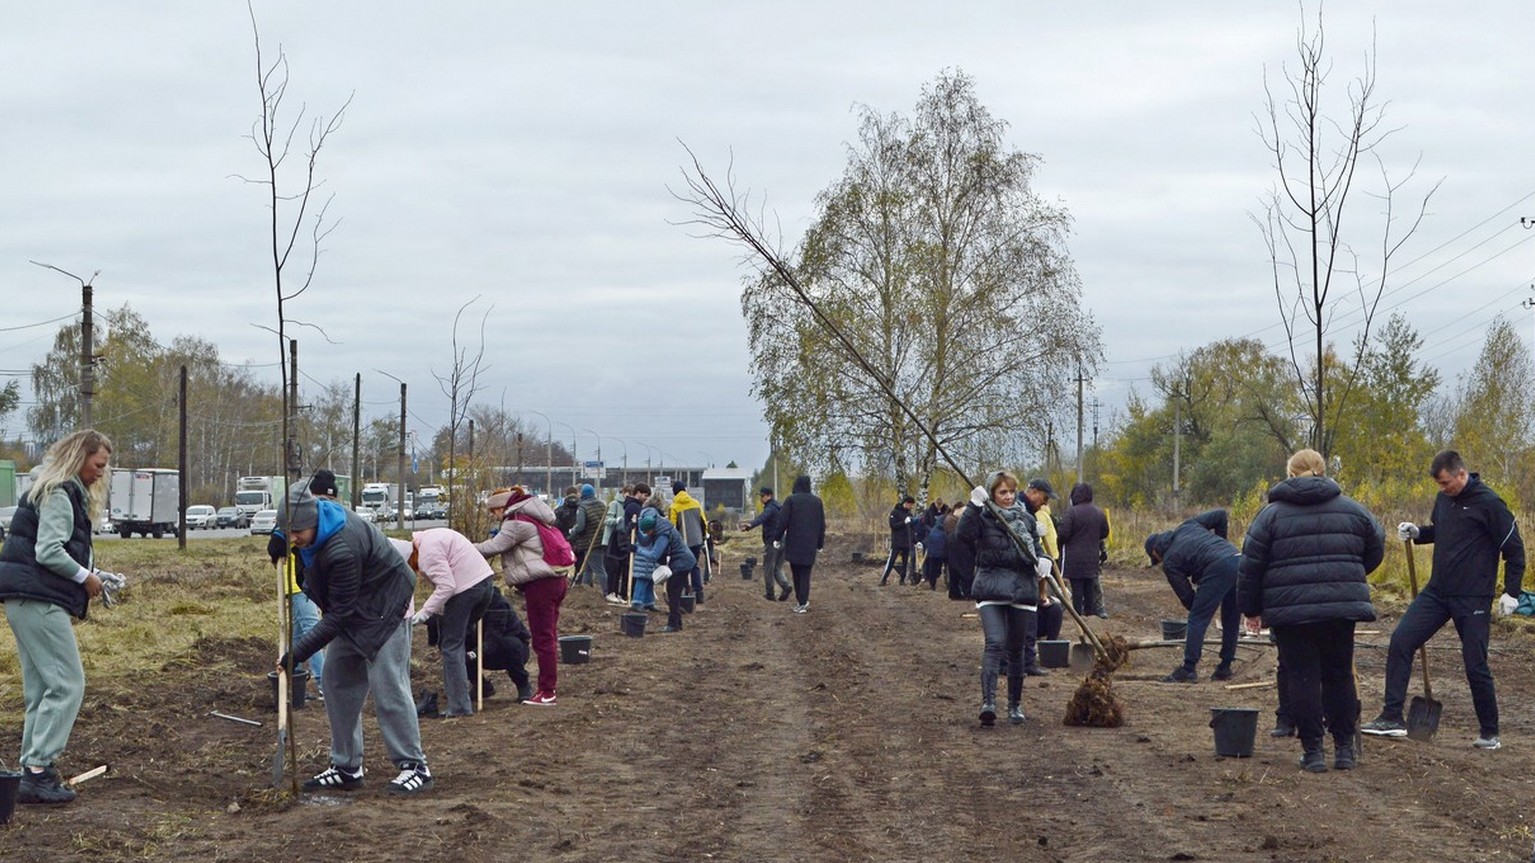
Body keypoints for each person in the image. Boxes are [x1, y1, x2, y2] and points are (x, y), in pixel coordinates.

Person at [1361, 450, 1526, 749]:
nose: (1443, 489)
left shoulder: (1490, 504)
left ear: (1462, 474)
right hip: (1437, 592)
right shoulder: (1444, 500)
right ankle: (1391, 717)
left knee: (1475, 663)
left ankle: (1490, 732)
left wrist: (1511, 591)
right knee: (1401, 640)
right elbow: (1443, 532)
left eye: (1446, 483)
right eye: (1439, 485)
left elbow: (1514, 550)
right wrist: (1418, 533)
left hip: (1473, 597)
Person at [277, 485, 432, 794]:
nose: (292, 537)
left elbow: (339, 615)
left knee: (387, 685)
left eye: (296, 532)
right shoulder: (314, 520)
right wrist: (279, 540)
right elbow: (294, 533)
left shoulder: (342, 548)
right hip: (355, 608)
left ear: (313, 521)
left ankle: (415, 766)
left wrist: (296, 654)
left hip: (385, 609)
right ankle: (347, 766)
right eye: (287, 531)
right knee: (336, 680)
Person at [1237, 449, 1383, 772]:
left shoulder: (1270, 516)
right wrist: (1348, 573)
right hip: (1340, 609)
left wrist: (1251, 609)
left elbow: (1250, 566)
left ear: (1290, 474)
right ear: (1323, 471)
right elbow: (1375, 548)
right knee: (1339, 674)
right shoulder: (1353, 510)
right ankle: (1344, 750)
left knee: (1301, 677)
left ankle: (1313, 752)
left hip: (1291, 612)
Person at [0, 430, 118, 804]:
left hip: (23, 598)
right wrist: (87, 578)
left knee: (41, 689)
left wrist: (93, 571)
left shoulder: (51, 490)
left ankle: (31, 772)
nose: (101, 473)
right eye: (98, 465)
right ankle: (38, 770)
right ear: (79, 457)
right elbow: (49, 551)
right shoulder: (60, 494)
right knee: (68, 684)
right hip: (38, 600)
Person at [958, 470, 1049, 727]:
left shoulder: (1026, 518)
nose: (1008, 497)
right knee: (995, 642)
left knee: (1016, 650)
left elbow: (1036, 547)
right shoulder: (983, 518)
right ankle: (988, 703)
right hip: (991, 587)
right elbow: (963, 536)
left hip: (1021, 589)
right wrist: (973, 506)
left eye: (1011, 492)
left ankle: (1015, 705)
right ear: (993, 494)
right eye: (1002, 492)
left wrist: (1044, 561)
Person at [475, 487, 569, 706]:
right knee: (549, 636)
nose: (494, 517)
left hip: (540, 585)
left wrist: (462, 548)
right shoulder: (533, 514)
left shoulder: (515, 521)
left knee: (542, 638)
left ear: (501, 507)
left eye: (493, 512)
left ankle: (547, 691)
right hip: (556, 580)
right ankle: (548, 687)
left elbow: (493, 547)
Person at [399, 527, 496, 717]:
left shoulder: (426, 554)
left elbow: (447, 586)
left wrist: (424, 613)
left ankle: (459, 706)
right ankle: (479, 686)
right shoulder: (431, 536)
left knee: (451, 646)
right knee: (457, 638)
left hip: (466, 590)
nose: (416, 571)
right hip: (485, 583)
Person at [268, 468, 341, 698]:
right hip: (297, 586)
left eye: (330, 499)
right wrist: (278, 538)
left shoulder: (332, 521)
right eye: (321, 499)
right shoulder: (299, 516)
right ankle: (324, 684)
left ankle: (290, 680)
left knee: (300, 637)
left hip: (316, 587)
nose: (325, 504)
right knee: (312, 630)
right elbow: (283, 531)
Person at [1145, 509, 1241, 683]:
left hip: (1218, 566)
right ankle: (1225, 667)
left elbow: (1187, 598)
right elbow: (1221, 515)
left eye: (1156, 560)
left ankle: (1188, 669)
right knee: (1231, 617)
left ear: (1155, 552)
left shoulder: (1170, 561)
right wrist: (1222, 543)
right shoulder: (1188, 526)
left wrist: (1201, 602)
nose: (1158, 562)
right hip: (1239, 559)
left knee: (1197, 618)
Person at [431, 585, 532, 702]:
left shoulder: (497, 604)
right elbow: (443, 637)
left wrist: (472, 655)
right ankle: (481, 686)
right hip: (478, 649)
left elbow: (493, 640)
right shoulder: (460, 602)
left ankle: (523, 685)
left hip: (503, 650)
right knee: (453, 644)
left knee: (510, 645)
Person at [1020, 479, 1064, 677]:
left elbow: (1035, 547)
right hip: (1018, 579)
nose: (1045, 503)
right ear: (1034, 492)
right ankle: (1023, 662)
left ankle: (1045, 651)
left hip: (1032, 575)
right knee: (1027, 618)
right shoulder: (1020, 508)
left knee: (1053, 609)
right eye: (1044, 498)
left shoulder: (1030, 512)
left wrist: (1043, 593)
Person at [633, 507, 697, 633]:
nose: (647, 534)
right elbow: (645, 541)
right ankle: (677, 623)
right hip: (683, 561)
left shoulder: (663, 534)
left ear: (652, 528)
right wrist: (636, 531)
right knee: (674, 592)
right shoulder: (658, 527)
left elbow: (654, 555)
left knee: (673, 592)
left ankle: (673, 625)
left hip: (682, 563)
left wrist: (636, 550)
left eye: (648, 531)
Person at [1057, 482, 1111, 619]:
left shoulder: (1072, 512)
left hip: (1074, 560)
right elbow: (1105, 533)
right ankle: (1091, 615)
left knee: (1077, 590)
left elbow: (1063, 533)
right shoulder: (1099, 512)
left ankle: (1077, 616)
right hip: (1092, 559)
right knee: (1089, 589)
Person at [774, 474, 826, 613]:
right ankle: (803, 601)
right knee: (806, 573)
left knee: (796, 572)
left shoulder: (791, 500)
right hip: (810, 544)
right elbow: (822, 524)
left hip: (794, 543)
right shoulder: (817, 502)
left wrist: (776, 538)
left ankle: (801, 602)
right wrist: (820, 544)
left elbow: (782, 521)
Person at [741, 486, 790, 602]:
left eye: (763, 496)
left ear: (769, 496)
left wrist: (750, 525)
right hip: (784, 540)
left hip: (772, 541)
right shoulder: (781, 508)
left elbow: (762, 518)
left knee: (768, 567)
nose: (761, 498)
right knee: (777, 567)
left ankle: (770, 594)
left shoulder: (770, 508)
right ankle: (786, 586)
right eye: (760, 496)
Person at [668, 480, 709, 605]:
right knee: (694, 565)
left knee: (682, 567)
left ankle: (686, 591)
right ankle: (698, 592)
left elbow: (672, 527)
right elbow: (703, 522)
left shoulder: (674, 507)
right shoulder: (696, 503)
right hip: (696, 540)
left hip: (682, 543)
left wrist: (671, 544)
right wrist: (702, 537)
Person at [601, 485, 635, 606]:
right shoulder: (615, 504)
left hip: (624, 540)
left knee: (624, 567)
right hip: (613, 540)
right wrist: (617, 520)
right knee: (613, 567)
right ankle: (611, 592)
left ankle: (621, 594)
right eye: (627, 493)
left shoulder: (630, 507)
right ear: (623, 492)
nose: (628, 496)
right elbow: (607, 520)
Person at [568, 483, 607, 588]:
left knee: (599, 569)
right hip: (601, 540)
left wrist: (572, 531)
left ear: (583, 494)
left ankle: (606, 592)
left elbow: (580, 527)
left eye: (580, 492)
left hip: (590, 542)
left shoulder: (582, 507)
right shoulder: (601, 504)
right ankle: (585, 590)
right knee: (587, 569)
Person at [881, 496, 918, 585]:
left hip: (906, 541)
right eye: (910, 505)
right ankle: (884, 578)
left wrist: (916, 541)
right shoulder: (895, 512)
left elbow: (912, 530)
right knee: (892, 560)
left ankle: (902, 579)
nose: (911, 507)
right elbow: (893, 525)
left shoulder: (909, 514)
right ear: (906, 503)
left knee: (905, 562)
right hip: (897, 541)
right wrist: (903, 522)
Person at [944, 505, 974, 600]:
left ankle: (955, 593)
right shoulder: (957, 521)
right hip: (961, 547)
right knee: (966, 571)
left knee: (955, 572)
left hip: (953, 545)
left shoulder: (953, 520)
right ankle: (968, 593)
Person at [921, 505, 949, 590]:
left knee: (932, 565)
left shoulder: (939, 521)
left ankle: (932, 583)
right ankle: (937, 581)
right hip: (940, 546)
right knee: (937, 566)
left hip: (932, 545)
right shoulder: (947, 520)